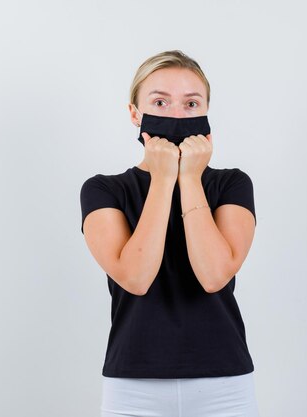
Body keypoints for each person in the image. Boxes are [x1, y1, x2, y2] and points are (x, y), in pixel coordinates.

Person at [79, 50, 261, 417]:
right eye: (160, 102)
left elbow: (213, 276)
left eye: (191, 104)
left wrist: (190, 177)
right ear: (135, 113)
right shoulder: (103, 190)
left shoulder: (232, 184)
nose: (176, 115)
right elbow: (136, 277)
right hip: (133, 385)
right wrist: (163, 178)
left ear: (206, 113)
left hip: (223, 382)